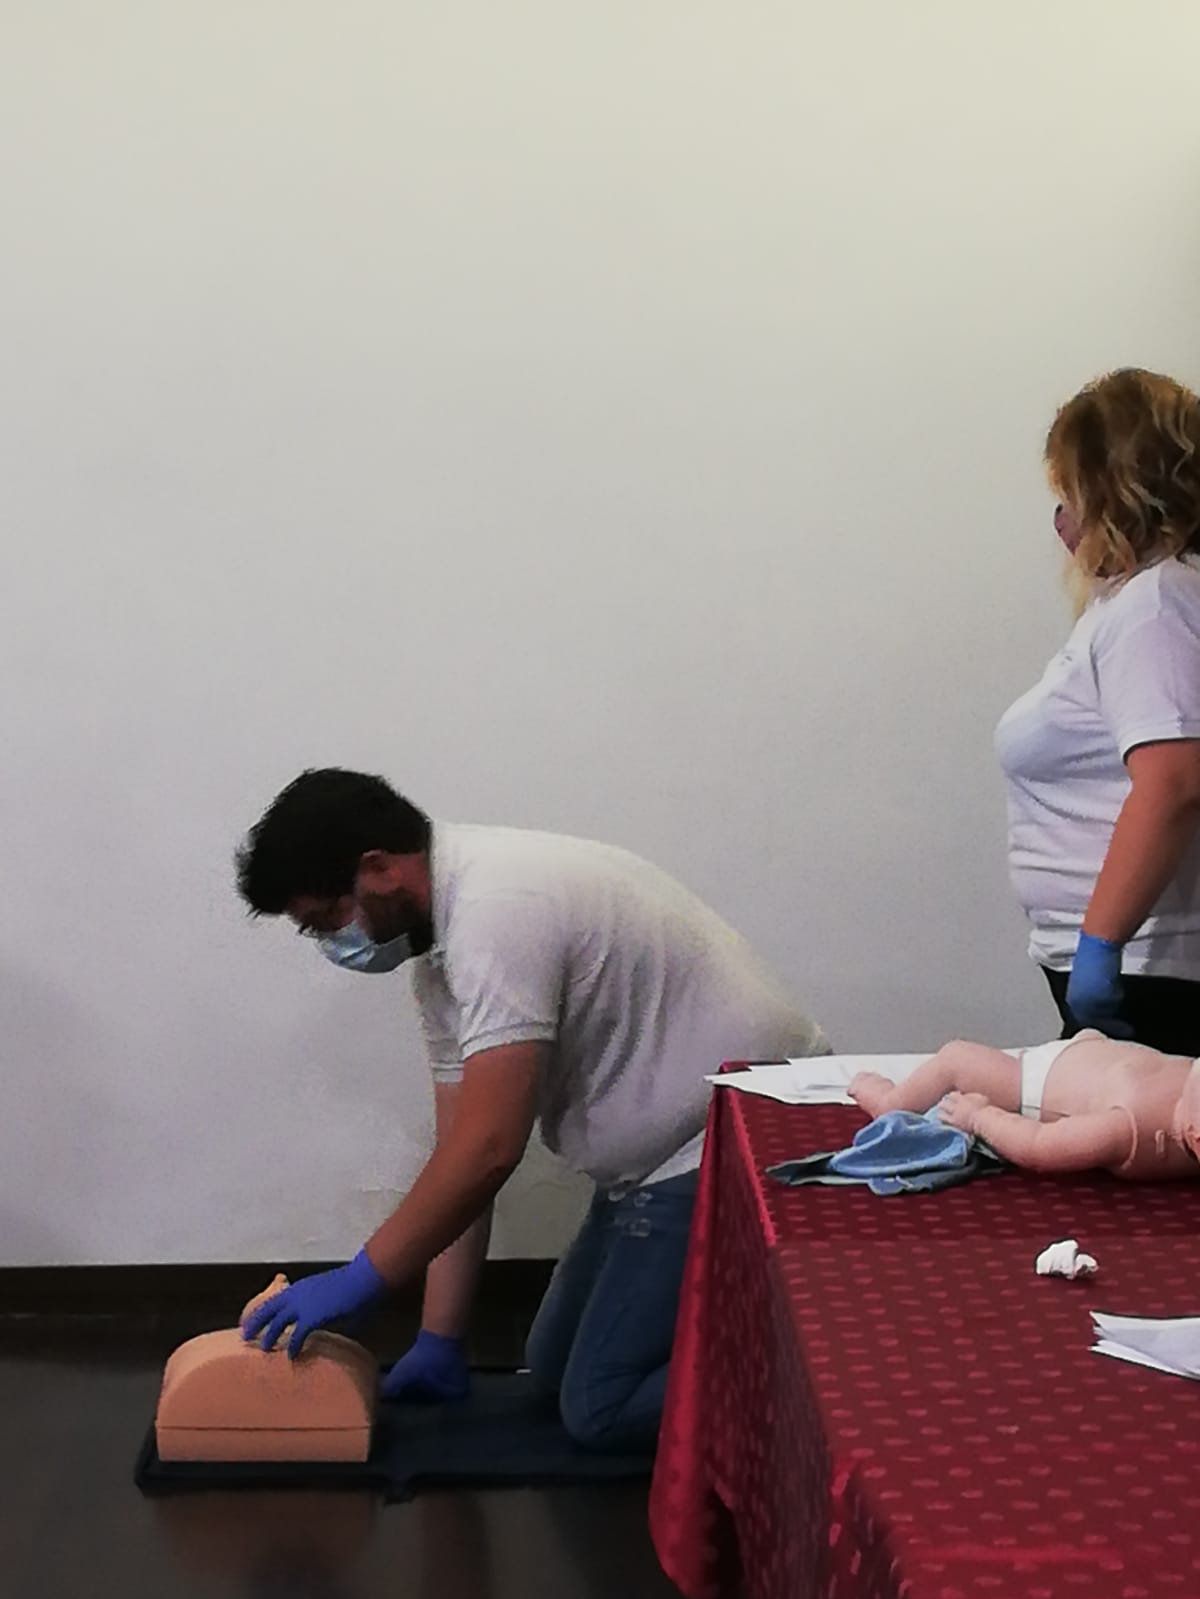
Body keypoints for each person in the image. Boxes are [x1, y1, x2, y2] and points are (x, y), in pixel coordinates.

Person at [235, 769, 829, 1452]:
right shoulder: (440, 958)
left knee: (599, 1407)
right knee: (550, 1371)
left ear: (380, 869)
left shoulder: (497, 911)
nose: (332, 943)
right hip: (660, 1160)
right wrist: (438, 1339)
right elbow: (461, 1151)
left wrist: (365, 1277)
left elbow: (490, 1150)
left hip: (741, 1131)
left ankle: (819, 1370)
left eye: (326, 920)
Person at [995, 368, 1200, 1054]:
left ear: (1117, 489)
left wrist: (1100, 944)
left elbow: (1173, 783)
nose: (1061, 520)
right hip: (1134, 968)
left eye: (1070, 494)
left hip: (1148, 972)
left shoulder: (1156, 605)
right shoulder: (1133, 604)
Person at [849, 1031, 1200, 1181]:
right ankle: (891, 1102)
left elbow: (1039, 1146)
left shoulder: (1127, 1127)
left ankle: (889, 1102)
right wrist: (980, 1116)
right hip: (1057, 1069)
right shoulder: (1129, 1125)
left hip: (1061, 1073)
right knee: (955, 1057)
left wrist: (981, 1116)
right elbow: (1039, 1146)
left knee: (958, 1057)